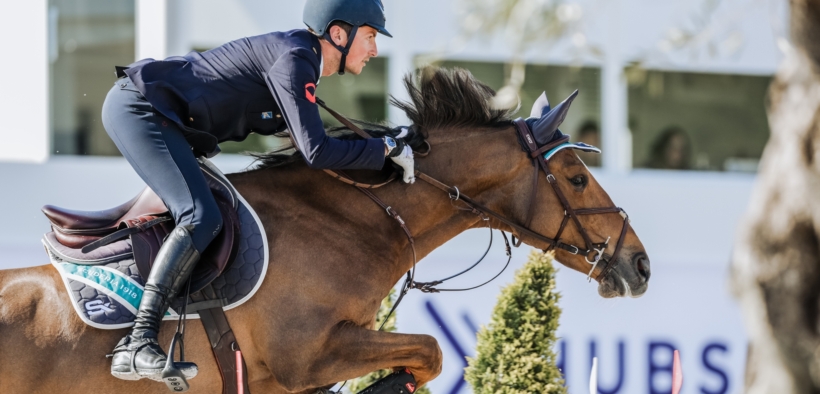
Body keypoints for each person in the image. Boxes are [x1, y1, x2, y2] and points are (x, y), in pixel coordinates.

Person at [101, 0, 414, 382]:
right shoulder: (295, 60)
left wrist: (389, 141)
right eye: (369, 36)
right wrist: (384, 149)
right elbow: (315, 152)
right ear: (338, 34)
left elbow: (314, 146)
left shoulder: (302, 64)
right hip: (141, 109)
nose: (374, 49)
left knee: (213, 210)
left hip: (164, 120)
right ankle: (137, 341)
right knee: (200, 216)